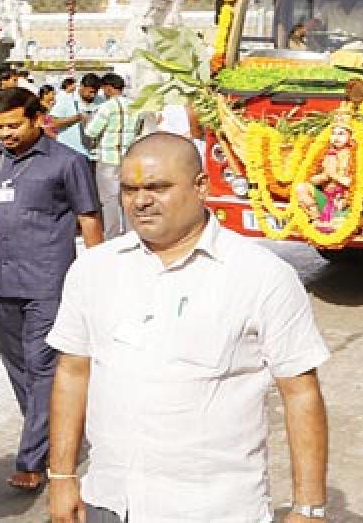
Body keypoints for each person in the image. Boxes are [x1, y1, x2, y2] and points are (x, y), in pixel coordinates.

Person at [47, 133, 331, 523]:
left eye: (157, 187)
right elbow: (72, 372)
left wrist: (308, 507)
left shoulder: (261, 276)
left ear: (201, 186)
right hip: (110, 501)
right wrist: (61, 476)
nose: (141, 201)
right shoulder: (94, 270)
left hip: (214, 508)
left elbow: (300, 393)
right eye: (129, 189)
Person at [0, 87, 103, 491]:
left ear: (37, 119)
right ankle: (56, 431)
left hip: (47, 280)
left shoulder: (68, 163)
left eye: (14, 125)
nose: (5, 133)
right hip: (0, 279)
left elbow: (89, 220)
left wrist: (97, 273)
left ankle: (32, 459)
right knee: (18, 367)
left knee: (42, 367)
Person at [83, 73, 144, 239]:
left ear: (108, 88)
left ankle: (113, 236)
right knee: (129, 197)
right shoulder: (135, 106)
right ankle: (133, 234)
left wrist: (86, 121)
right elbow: (139, 130)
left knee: (109, 202)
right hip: (128, 159)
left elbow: (91, 131)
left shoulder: (107, 107)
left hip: (108, 159)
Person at [48, 73, 103, 166]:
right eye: (90, 92)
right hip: (69, 153)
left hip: (92, 155)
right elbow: (53, 123)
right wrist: (77, 118)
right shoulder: (66, 100)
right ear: (81, 86)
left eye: (95, 92)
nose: (93, 95)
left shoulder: (101, 101)